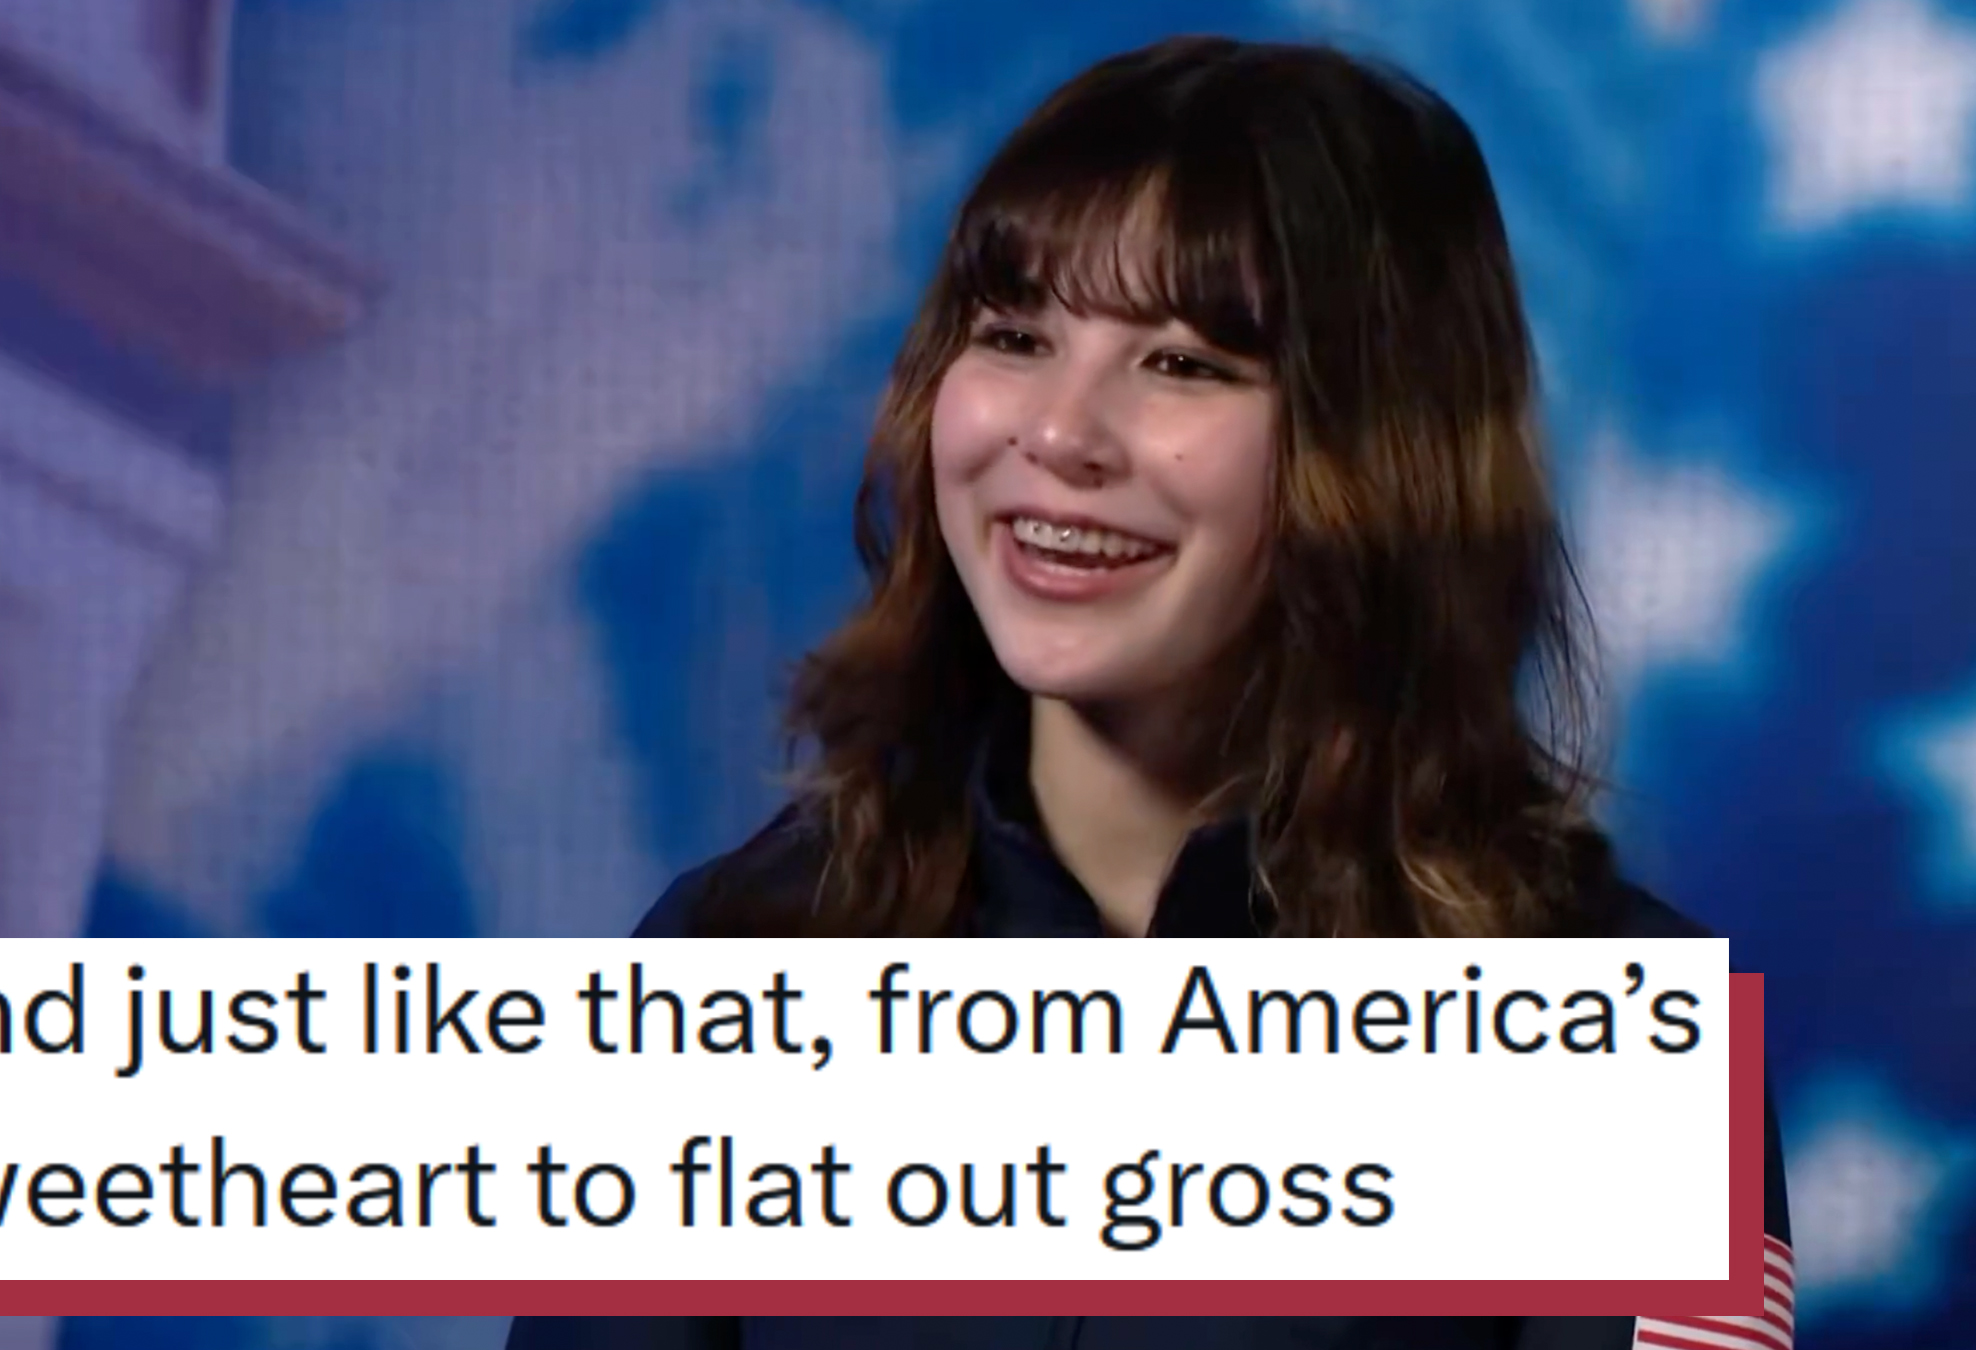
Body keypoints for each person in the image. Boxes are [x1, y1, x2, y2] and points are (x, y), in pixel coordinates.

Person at [509, 34, 1793, 1350]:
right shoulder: (729, 960)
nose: (1057, 434)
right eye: (1013, 335)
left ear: (1383, 450)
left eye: (1183, 361)